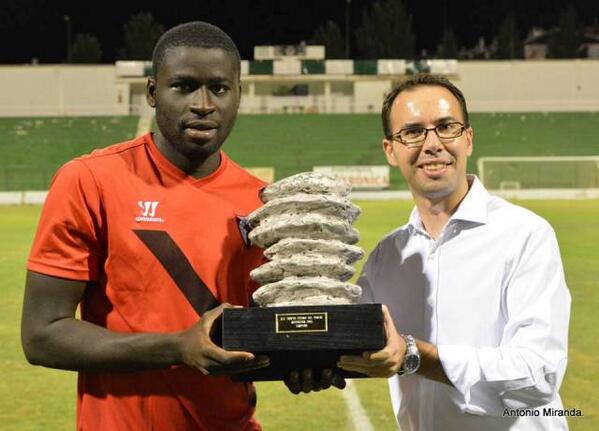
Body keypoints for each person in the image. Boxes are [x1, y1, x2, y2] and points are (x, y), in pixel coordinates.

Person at [22, 21, 294, 431]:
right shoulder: (90, 180)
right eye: (184, 86)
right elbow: (42, 334)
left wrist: (304, 361)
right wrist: (176, 347)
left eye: (219, 88)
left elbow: (256, 334)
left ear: (238, 94)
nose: (203, 104)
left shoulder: (264, 203)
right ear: (152, 93)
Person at [338, 74, 571, 430]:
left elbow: (538, 373)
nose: (432, 144)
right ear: (390, 150)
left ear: (468, 138)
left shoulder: (525, 235)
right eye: (413, 132)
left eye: (446, 126)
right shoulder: (386, 256)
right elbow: (343, 339)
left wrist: (417, 356)